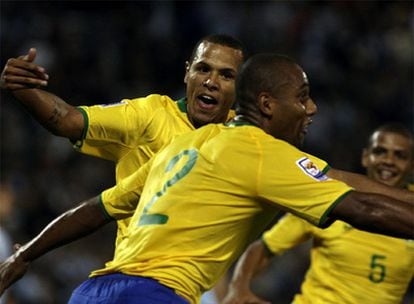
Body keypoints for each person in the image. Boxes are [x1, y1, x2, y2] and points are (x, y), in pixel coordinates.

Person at [1, 53, 414, 304]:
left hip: (92, 292)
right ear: (268, 105)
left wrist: (24, 256)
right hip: (155, 297)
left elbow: (96, 209)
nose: (312, 109)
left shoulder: (186, 146)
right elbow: (364, 209)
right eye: (303, 97)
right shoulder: (261, 153)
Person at [223, 123, 414, 304]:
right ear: (365, 157)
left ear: (412, 165)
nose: (389, 161)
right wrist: (238, 287)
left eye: (400, 156)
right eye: (380, 152)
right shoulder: (332, 194)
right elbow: (264, 248)